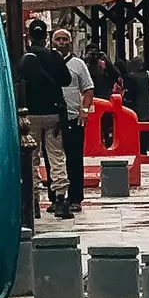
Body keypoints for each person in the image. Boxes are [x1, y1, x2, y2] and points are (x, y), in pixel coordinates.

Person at [17, 20, 71, 217]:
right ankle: (61, 198)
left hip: (29, 114)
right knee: (56, 156)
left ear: (29, 36)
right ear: (46, 36)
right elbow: (67, 80)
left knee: (32, 158)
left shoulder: (24, 57)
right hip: (53, 113)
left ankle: (33, 200)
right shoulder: (54, 57)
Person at [50, 27, 94, 213]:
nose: (61, 43)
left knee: (74, 159)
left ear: (70, 42)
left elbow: (88, 89)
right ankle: (56, 197)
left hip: (73, 117)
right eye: (57, 39)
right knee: (53, 159)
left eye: (64, 39)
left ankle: (76, 197)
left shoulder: (78, 64)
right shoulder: (47, 62)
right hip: (52, 118)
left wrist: (84, 110)